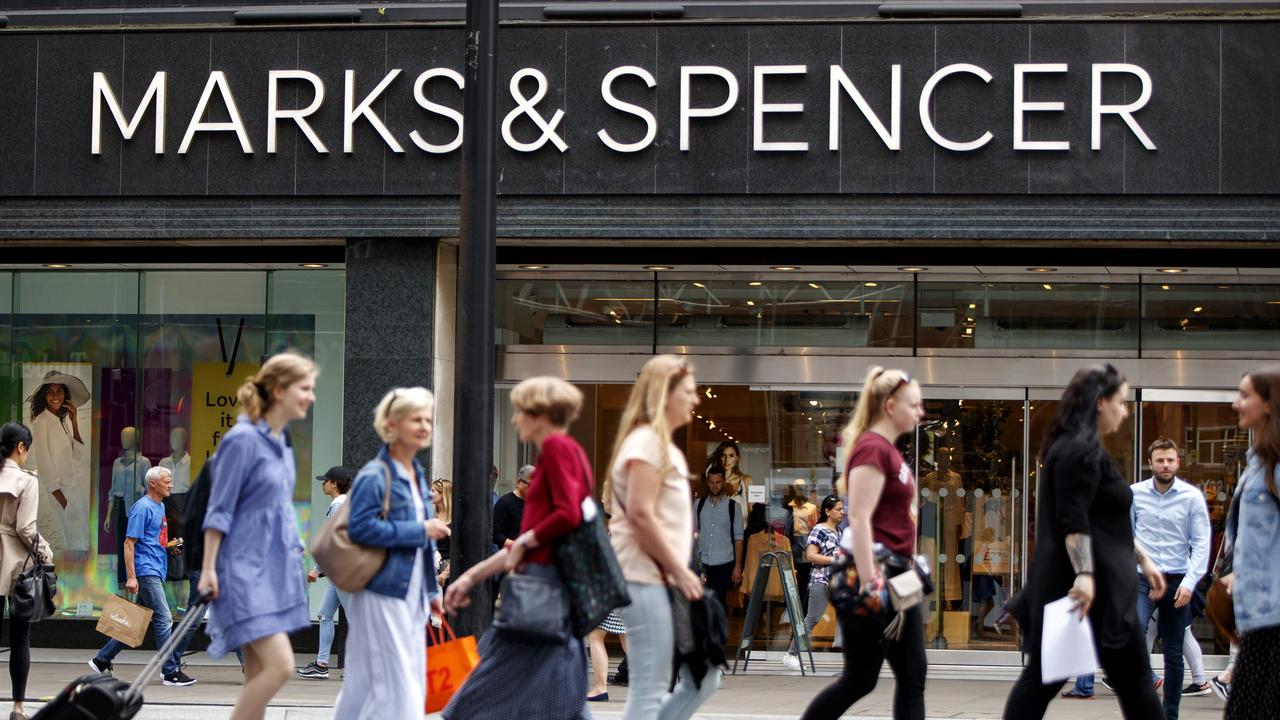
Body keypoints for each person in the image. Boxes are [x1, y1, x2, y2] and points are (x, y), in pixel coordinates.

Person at [1002, 364, 1166, 719]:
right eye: (1120, 403)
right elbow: (1073, 519)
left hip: (1095, 588)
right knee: (1131, 681)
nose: (1124, 412)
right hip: (1095, 592)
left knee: (1046, 679)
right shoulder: (1078, 450)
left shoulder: (1082, 448)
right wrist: (1086, 576)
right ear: (1099, 403)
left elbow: (1101, 521)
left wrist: (1142, 559)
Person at [443, 376, 593, 720]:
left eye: (520, 411)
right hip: (552, 588)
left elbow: (567, 516)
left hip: (538, 589)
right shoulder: (569, 453)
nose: (514, 419)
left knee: (482, 688)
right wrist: (474, 576)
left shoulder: (556, 451)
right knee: (562, 686)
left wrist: (524, 540)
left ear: (540, 412)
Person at [198, 352, 317, 720]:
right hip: (242, 571)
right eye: (305, 388)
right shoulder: (242, 440)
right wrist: (208, 569)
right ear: (279, 390)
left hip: (273, 570)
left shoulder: (281, 444)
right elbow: (219, 508)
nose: (311, 396)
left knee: (257, 677)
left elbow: (279, 509)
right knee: (280, 667)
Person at [799, 367, 923, 720]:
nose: (920, 412)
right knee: (860, 679)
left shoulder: (889, 451)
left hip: (898, 574)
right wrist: (871, 582)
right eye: (913, 405)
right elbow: (861, 518)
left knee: (912, 674)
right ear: (889, 406)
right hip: (874, 575)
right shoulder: (871, 449)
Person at [1064, 438, 1209, 718]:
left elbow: (1201, 543)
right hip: (1141, 580)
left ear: (1178, 462)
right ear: (1150, 462)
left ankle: (1170, 715)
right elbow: (1124, 537)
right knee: (1132, 638)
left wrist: (1190, 584)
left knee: (1174, 651)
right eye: (1160, 460)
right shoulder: (1134, 494)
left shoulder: (1191, 497)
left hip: (1178, 579)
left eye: (1170, 460)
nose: (1165, 465)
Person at [609, 355, 717, 720]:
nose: (695, 399)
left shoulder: (658, 445)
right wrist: (680, 569)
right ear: (664, 394)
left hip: (665, 584)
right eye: (688, 392)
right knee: (651, 688)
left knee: (702, 678)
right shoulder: (646, 443)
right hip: (647, 581)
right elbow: (640, 512)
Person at [332, 387, 448, 718]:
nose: (425, 426)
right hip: (382, 589)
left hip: (409, 591)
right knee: (401, 686)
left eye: (428, 418)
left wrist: (429, 590)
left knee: (365, 686)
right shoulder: (375, 475)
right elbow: (360, 530)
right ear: (392, 424)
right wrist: (420, 529)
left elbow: (423, 545)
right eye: (416, 419)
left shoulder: (415, 474)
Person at [89, 466, 196, 687]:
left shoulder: (160, 506)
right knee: (164, 618)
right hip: (146, 571)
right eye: (167, 481)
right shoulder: (142, 508)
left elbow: (151, 540)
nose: (171, 485)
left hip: (155, 567)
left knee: (136, 620)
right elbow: (129, 543)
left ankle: (101, 660)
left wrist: (168, 547)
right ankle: (170, 671)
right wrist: (131, 577)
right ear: (153, 484)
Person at [1221, 366, 1280, 719]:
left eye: (1244, 395)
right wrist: (1239, 572)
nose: (1235, 403)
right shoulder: (1258, 461)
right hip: (1258, 618)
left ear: (1270, 404)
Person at [0, 423, 53, 720]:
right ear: (21, 447)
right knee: (20, 639)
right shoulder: (26, 480)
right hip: (17, 566)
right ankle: (18, 708)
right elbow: (25, 528)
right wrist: (46, 551)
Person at [298, 466, 354, 680]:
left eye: (325, 481)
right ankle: (322, 664)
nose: (323, 484)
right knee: (325, 615)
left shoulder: (339, 505)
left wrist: (316, 569)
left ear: (334, 484)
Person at [27, 371, 91, 554]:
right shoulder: (41, 422)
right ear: (44, 395)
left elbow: (77, 454)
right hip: (60, 491)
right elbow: (44, 462)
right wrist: (62, 500)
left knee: (83, 534)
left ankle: (81, 572)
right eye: (50, 391)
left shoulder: (61, 420)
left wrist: (74, 421)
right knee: (72, 536)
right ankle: (74, 574)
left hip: (74, 486)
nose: (55, 396)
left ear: (65, 395)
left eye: (59, 391)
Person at [783, 495, 845, 670]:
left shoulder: (839, 531)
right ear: (827, 511)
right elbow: (811, 556)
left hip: (837, 581)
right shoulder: (819, 530)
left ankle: (848, 650)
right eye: (838, 509)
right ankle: (791, 654)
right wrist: (835, 560)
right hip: (822, 581)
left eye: (842, 509)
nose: (842, 512)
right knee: (812, 618)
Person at [694, 465, 743, 608]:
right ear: (708, 482)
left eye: (718, 482)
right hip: (703, 563)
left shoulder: (734, 507)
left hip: (724, 563)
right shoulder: (698, 504)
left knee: (719, 605)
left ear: (723, 482)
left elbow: (738, 538)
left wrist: (738, 567)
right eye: (712, 482)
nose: (715, 486)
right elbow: (693, 534)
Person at [492, 465, 533, 550]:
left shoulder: (534, 504)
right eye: (530, 484)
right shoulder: (504, 503)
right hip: (508, 555)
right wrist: (515, 545)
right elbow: (494, 533)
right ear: (518, 483)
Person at [430, 478, 453, 586]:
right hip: (434, 562)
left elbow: (460, 545)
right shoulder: (432, 515)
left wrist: (447, 530)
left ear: (443, 494)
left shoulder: (454, 518)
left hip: (450, 564)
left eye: (433, 491)